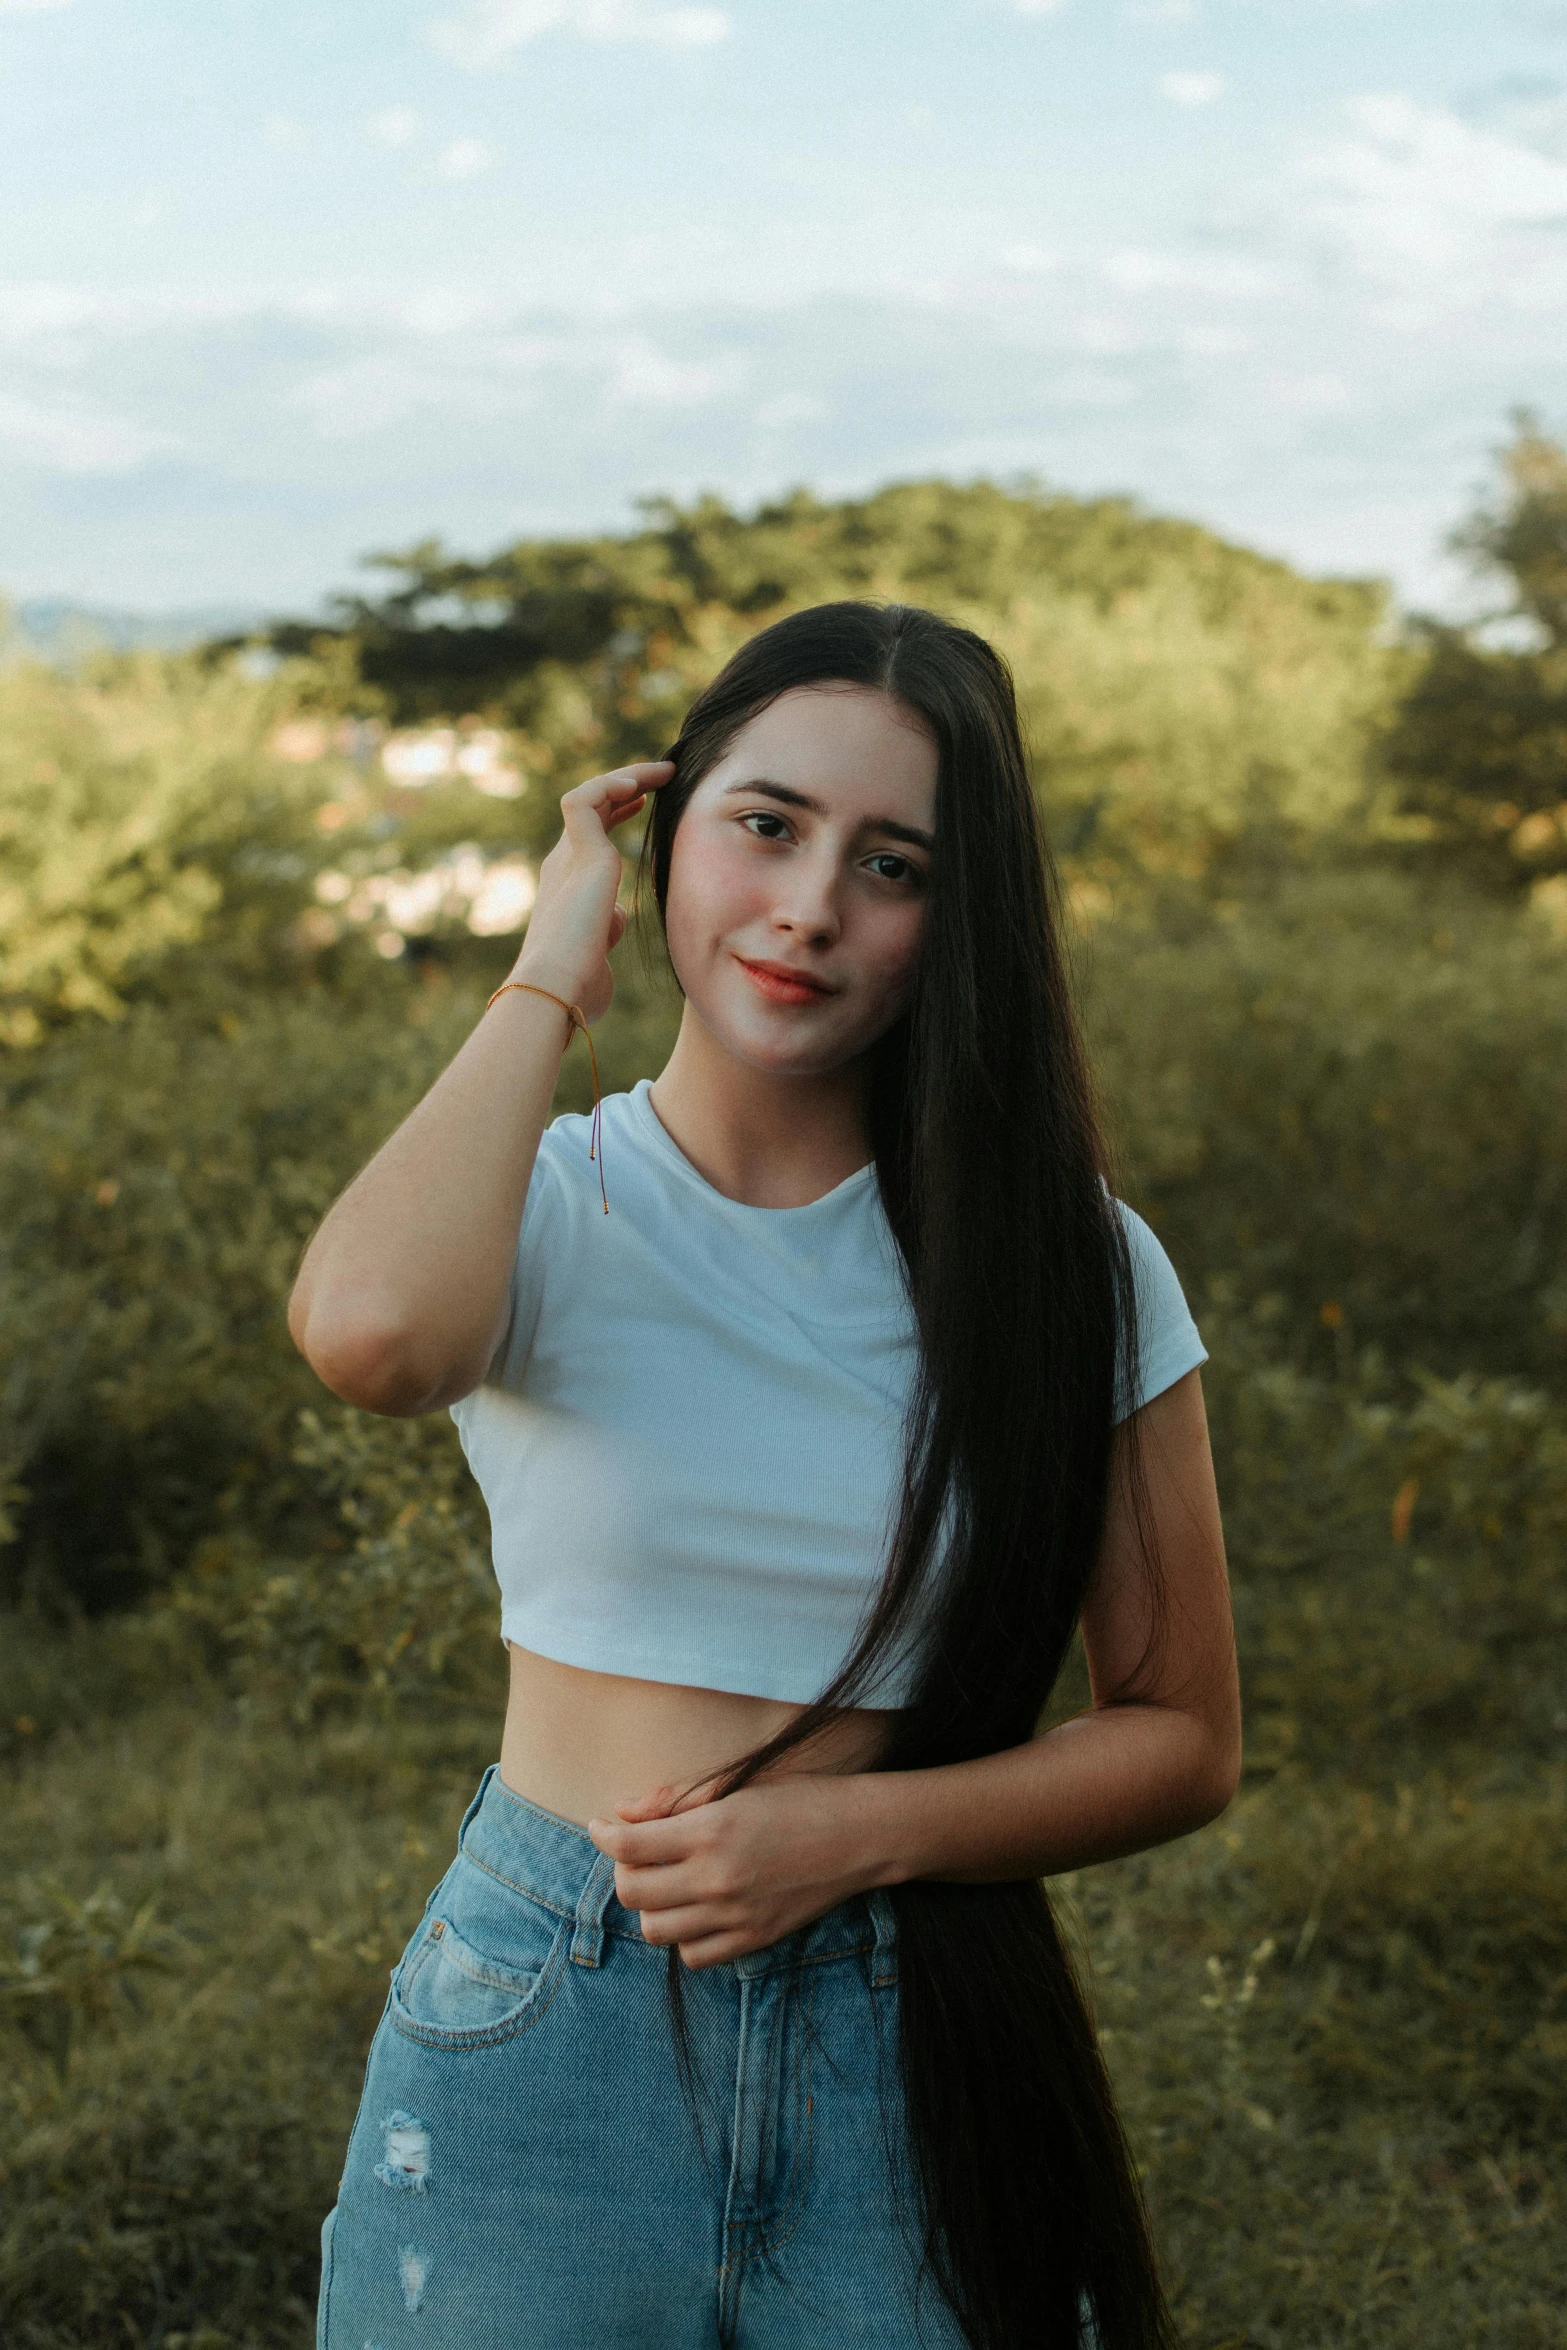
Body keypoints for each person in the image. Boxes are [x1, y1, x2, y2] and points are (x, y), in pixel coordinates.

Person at [287, 601, 1239, 2350]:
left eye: (892, 863)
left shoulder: (1066, 1268)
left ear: (960, 921)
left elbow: (1180, 1732)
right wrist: (549, 971)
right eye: (765, 825)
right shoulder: (548, 1203)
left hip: (918, 2029)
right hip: (541, 2025)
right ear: (667, 837)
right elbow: (368, 1337)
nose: (809, 906)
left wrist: (851, 1835)